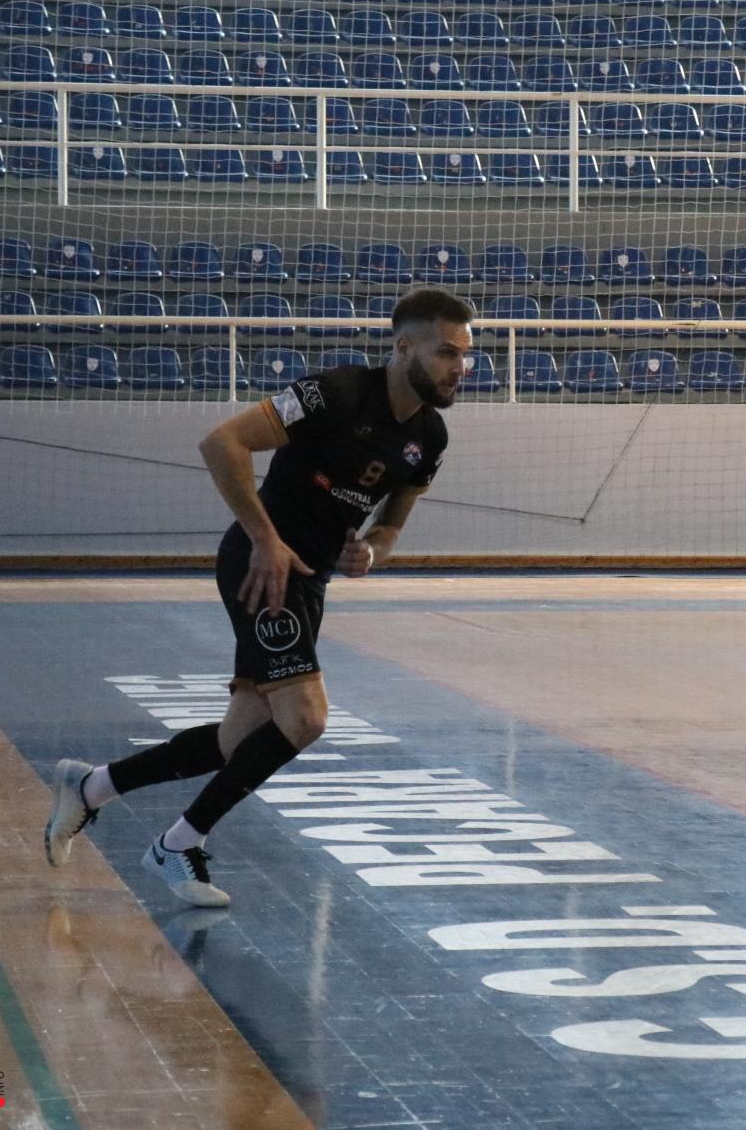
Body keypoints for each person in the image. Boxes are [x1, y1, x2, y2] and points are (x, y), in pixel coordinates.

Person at [43, 287, 472, 906]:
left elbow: (392, 523)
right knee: (306, 719)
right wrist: (265, 539)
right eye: (446, 353)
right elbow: (222, 443)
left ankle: (91, 787)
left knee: (236, 742)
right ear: (404, 348)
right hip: (261, 566)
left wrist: (372, 552)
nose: (459, 367)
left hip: (311, 581)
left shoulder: (430, 436)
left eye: (465, 356)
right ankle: (176, 843)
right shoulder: (338, 391)